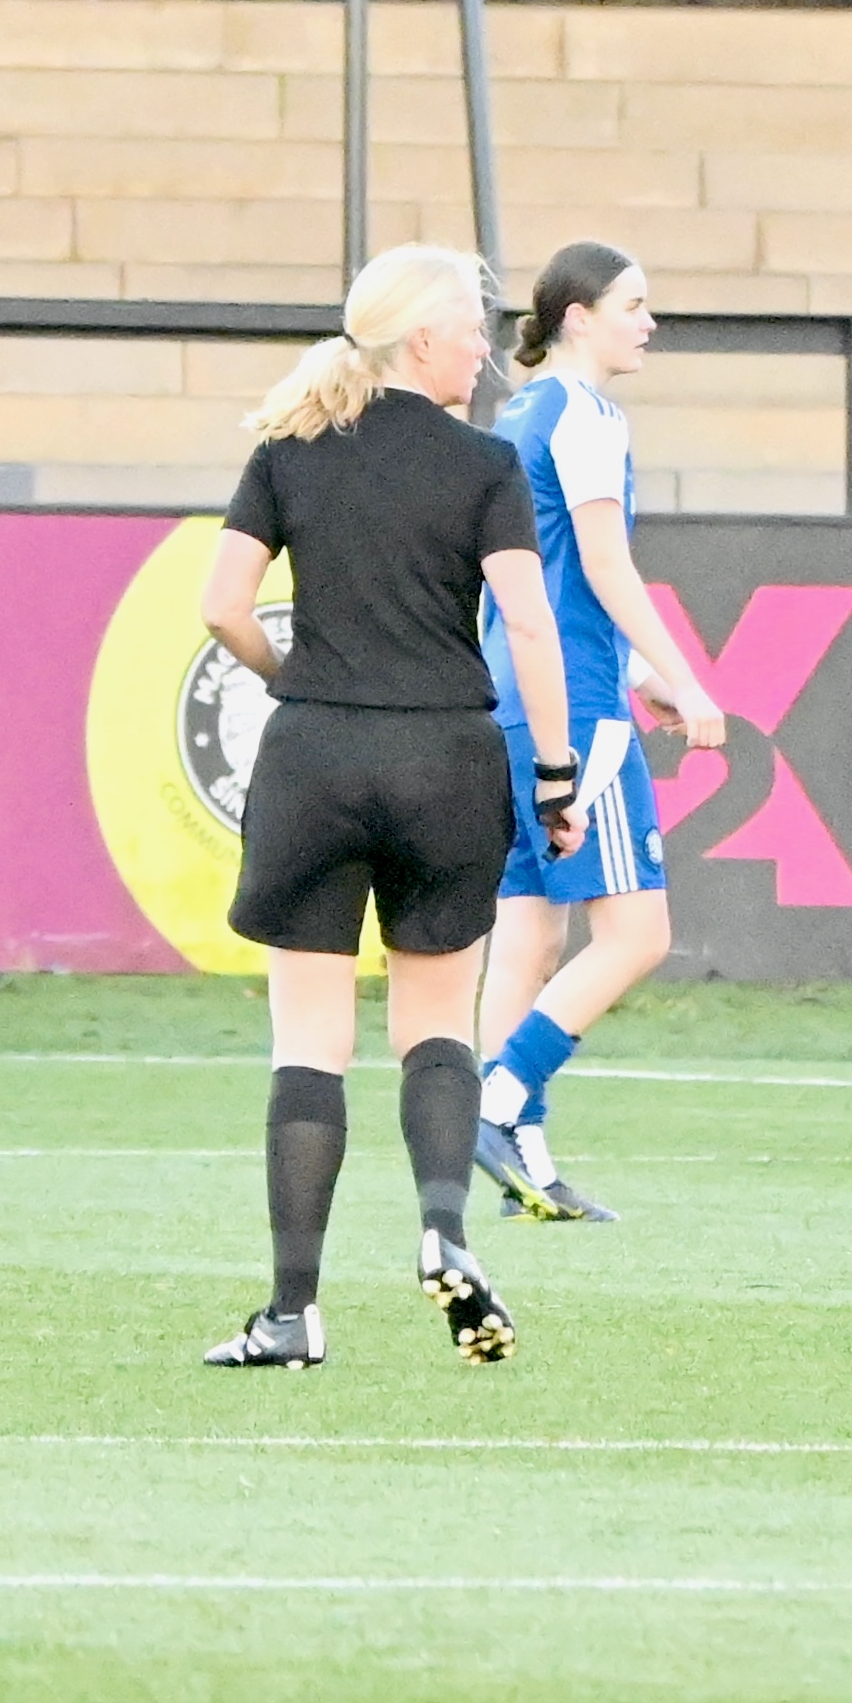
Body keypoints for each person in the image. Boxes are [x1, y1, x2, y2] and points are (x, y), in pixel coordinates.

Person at [193, 246, 569, 1370]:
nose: (487, 352)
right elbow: (532, 626)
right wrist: (553, 774)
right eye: (473, 331)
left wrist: (286, 676)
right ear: (419, 343)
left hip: (317, 753)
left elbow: (222, 608)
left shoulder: (288, 450)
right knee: (438, 1027)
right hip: (446, 756)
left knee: (310, 1041)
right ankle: (445, 1228)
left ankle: (292, 1312)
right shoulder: (485, 463)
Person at [467, 241, 721, 1222]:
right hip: (571, 708)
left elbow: (551, 575)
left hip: (517, 695)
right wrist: (690, 683)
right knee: (638, 933)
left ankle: (515, 1152)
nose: (649, 322)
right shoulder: (583, 416)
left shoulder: (522, 414)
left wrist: (642, 672)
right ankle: (495, 1105)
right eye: (634, 304)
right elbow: (607, 568)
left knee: (529, 935)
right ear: (577, 315)